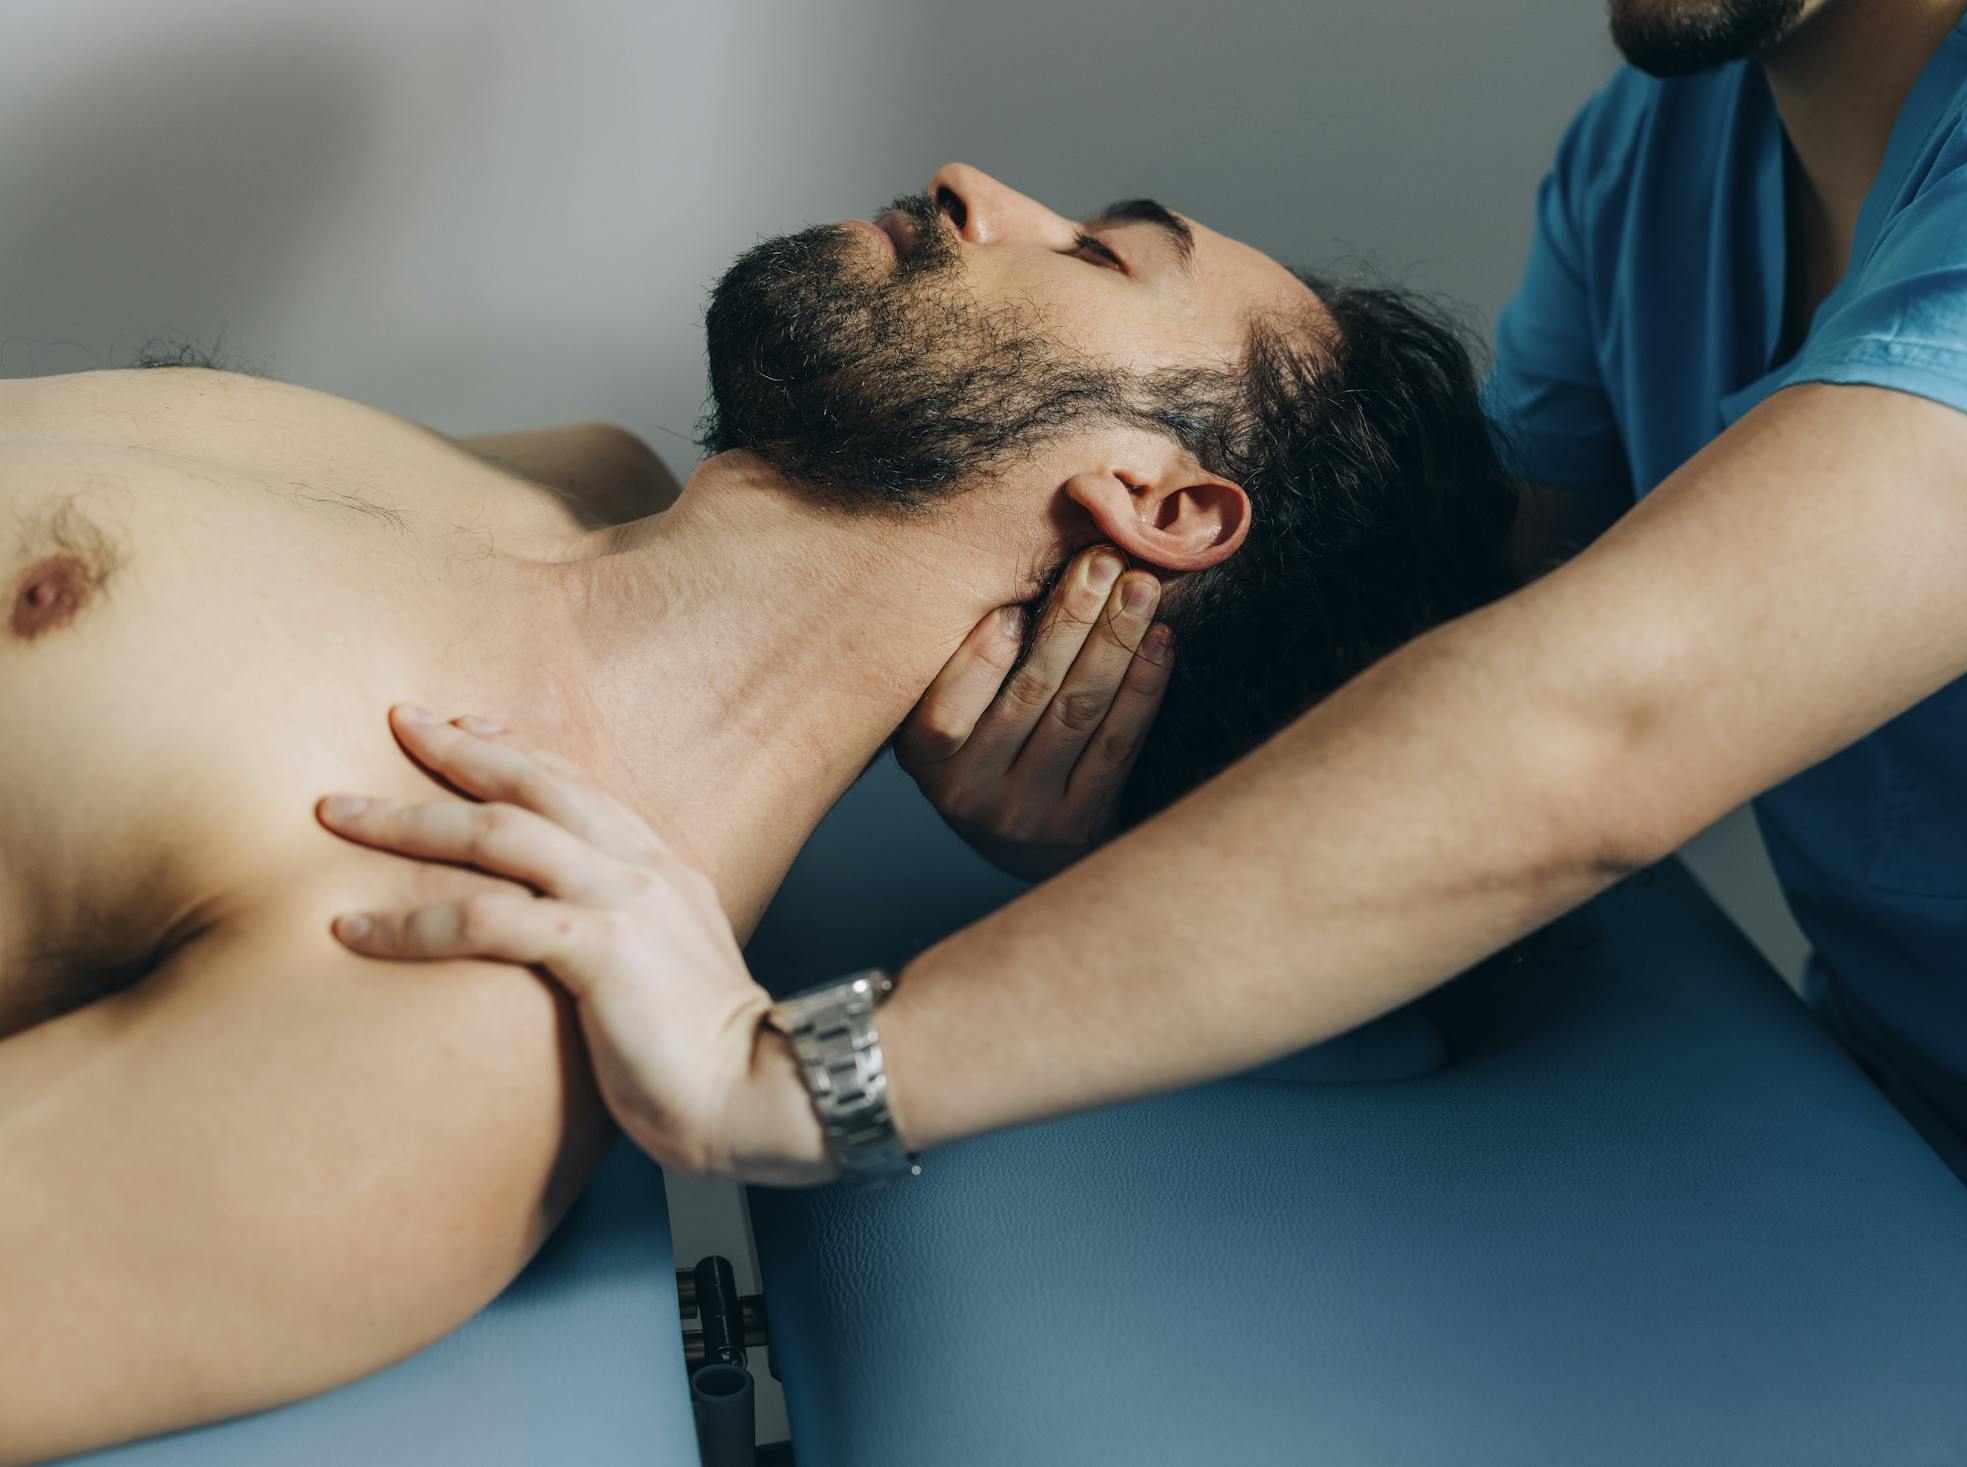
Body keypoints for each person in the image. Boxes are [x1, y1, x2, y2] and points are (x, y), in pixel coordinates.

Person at [323, 0, 1967, 1460]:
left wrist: (790, 1081)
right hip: (1892, 1124)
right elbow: (1430, 641)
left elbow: (1596, 718)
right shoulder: (1650, 160)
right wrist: (1117, 793)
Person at [0, 168, 1518, 1461]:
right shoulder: (573, 479)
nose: (972, 188)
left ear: (1162, 505)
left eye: (1100, 255)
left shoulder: (457, 1017)